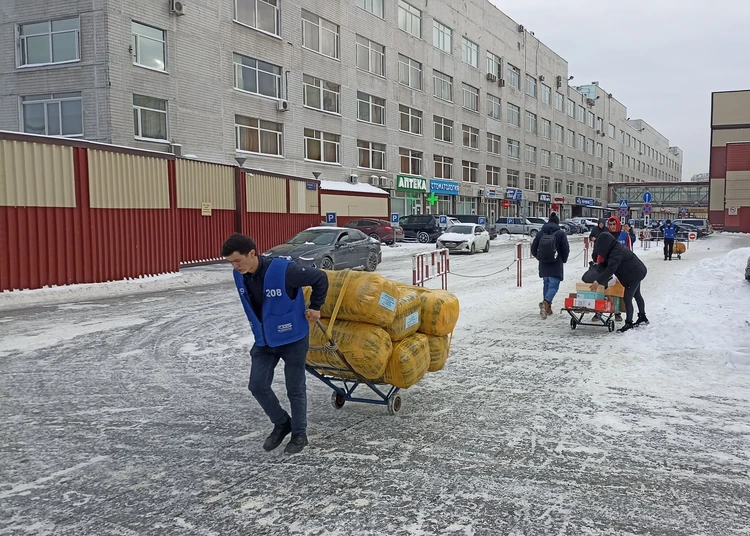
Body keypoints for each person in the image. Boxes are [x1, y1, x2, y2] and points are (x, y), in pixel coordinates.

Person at [222, 234, 329, 454]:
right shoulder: (239, 275)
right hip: (264, 340)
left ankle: (300, 434)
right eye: (231, 262)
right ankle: (282, 423)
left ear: (252, 253)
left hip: (293, 338)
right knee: (257, 385)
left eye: (237, 260)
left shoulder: (284, 271)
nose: (235, 266)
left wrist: (316, 307)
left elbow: (320, 278)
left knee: (295, 388)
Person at [590, 232, 649, 332]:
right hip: (637, 271)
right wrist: (597, 268)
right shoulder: (613, 249)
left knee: (627, 297)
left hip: (635, 274)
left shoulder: (616, 252)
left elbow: (610, 269)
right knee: (637, 295)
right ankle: (642, 317)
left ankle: (629, 323)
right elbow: (606, 264)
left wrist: (597, 281)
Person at [531, 212, 570, 319]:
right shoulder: (560, 233)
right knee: (553, 286)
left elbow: (533, 248)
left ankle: (547, 309)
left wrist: (540, 257)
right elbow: (565, 248)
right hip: (556, 263)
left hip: (543, 263)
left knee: (546, 284)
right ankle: (546, 302)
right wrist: (563, 259)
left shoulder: (540, 233)